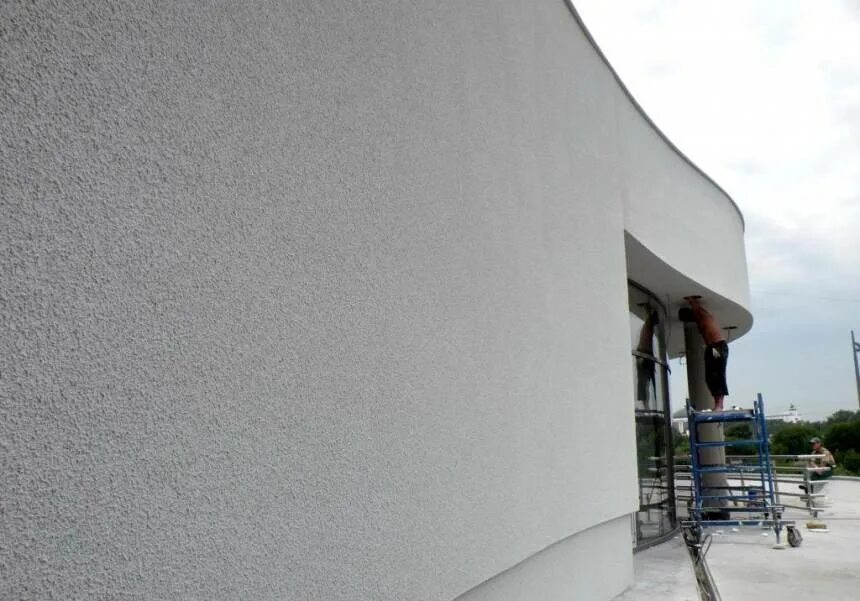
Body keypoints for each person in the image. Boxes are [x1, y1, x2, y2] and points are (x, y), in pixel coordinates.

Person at [682, 296, 729, 411]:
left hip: (718, 347)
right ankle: (717, 403)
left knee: (718, 374)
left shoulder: (703, 316)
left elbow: (698, 309)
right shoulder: (700, 319)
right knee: (710, 377)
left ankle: (719, 404)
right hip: (711, 348)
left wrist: (692, 301)